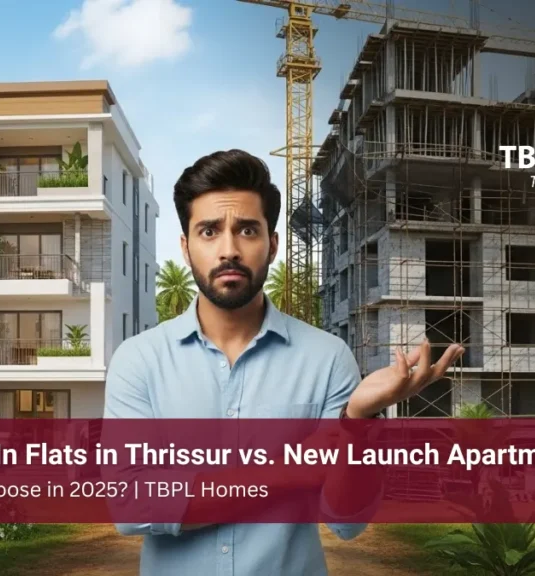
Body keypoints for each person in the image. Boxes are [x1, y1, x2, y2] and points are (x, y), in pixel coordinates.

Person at [103, 149, 463, 575]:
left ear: (273, 244)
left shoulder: (327, 359)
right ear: (185, 247)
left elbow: (346, 520)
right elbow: (132, 506)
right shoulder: (138, 361)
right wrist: (296, 469)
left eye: (248, 230)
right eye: (208, 231)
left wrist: (357, 422)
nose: (229, 250)